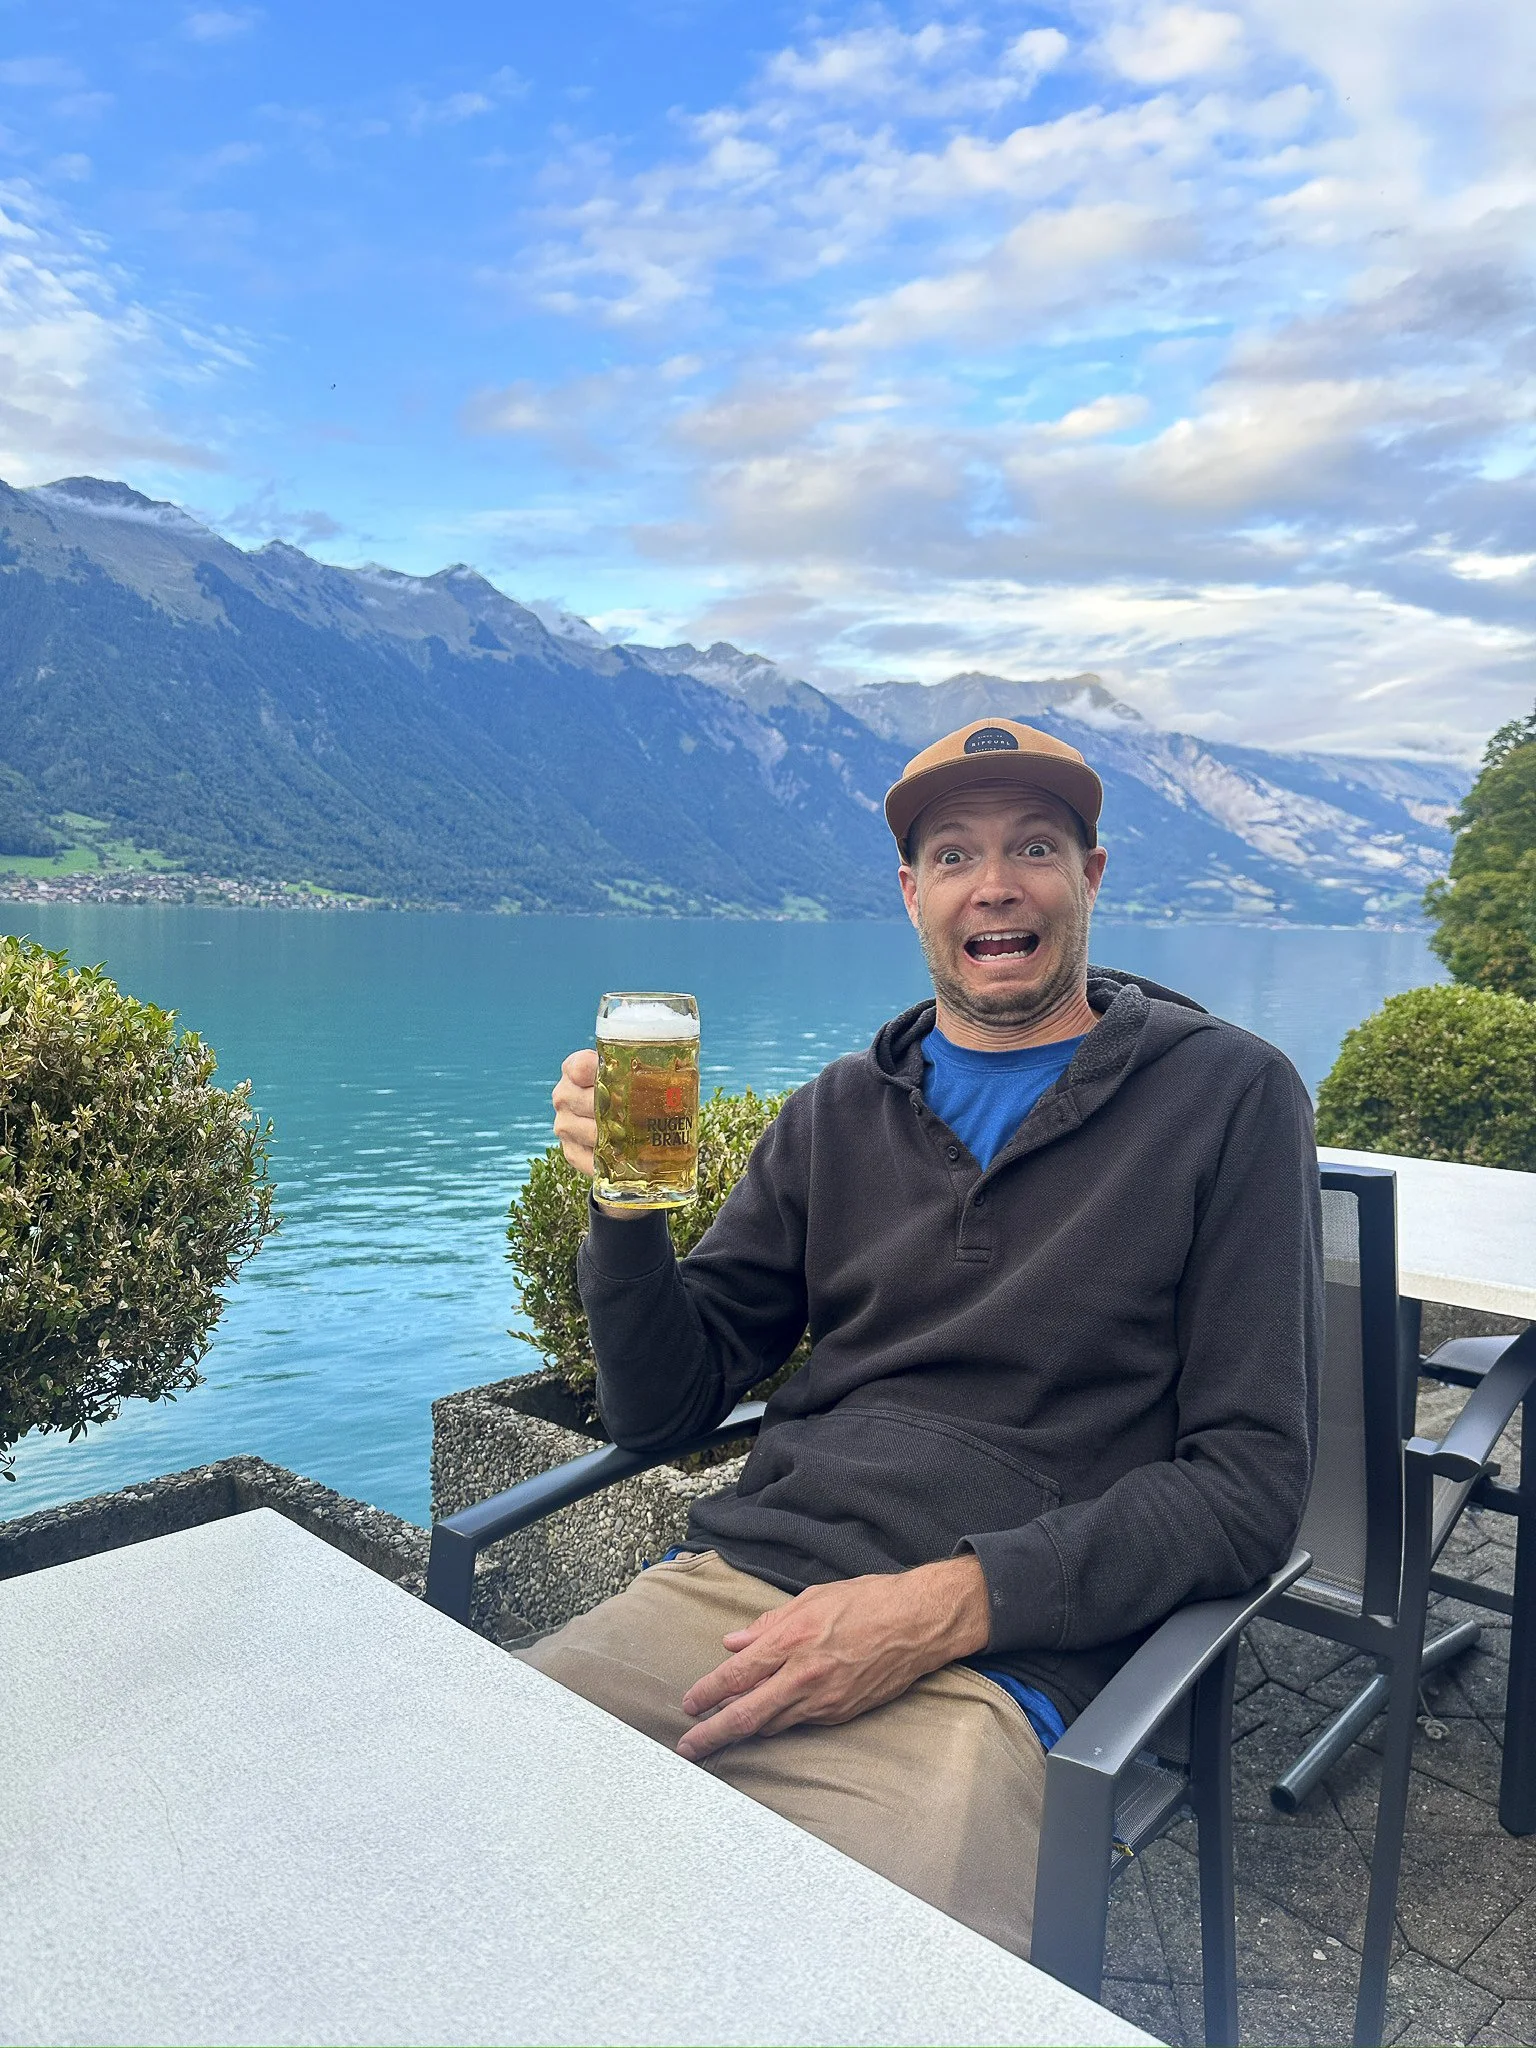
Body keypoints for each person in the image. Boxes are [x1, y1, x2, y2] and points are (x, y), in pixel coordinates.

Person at [526, 715, 1322, 1960]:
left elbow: (1249, 1485)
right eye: (954, 854)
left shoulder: (1229, 1096)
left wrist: (941, 1608)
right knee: (462, 1814)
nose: (993, 883)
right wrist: (624, 1219)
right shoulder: (836, 1111)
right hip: (732, 1601)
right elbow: (660, 1408)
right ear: (912, 894)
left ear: (1090, 876)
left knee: (866, 1974)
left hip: (998, 1665)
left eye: (1034, 847)